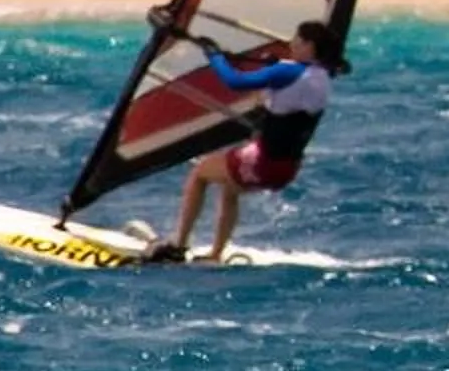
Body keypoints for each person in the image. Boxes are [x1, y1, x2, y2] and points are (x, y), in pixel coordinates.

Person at [143, 19, 343, 264]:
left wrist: (213, 56)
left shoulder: (286, 72)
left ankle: (178, 245)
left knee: (199, 174)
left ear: (309, 45)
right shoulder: (323, 76)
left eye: (297, 40)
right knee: (230, 188)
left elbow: (235, 82)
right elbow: (286, 89)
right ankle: (216, 254)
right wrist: (272, 69)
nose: (292, 43)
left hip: (263, 162)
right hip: (287, 169)